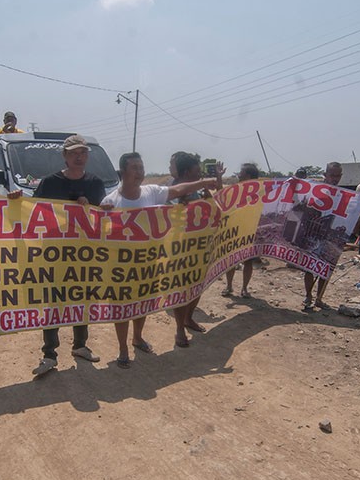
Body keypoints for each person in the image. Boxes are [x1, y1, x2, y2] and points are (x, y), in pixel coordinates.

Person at [100, 152, 220, 367]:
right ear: (123, 172)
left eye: (141, 166)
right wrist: (102, 215)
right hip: (120, 266)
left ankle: (137, 338)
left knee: (142, 302)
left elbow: (178, 190)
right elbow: (97, 233)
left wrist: (203, 182)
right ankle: (123, 348)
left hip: (148, 263)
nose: (140, 171)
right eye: (135, 167)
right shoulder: (110, 201)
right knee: (121, 307)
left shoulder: (152, 192)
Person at [31, 135, 105, 375]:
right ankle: (49, 354)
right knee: (53, 303)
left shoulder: (95, 183)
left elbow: (103, 218)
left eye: (83, 152)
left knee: (82, 300)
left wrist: (89, 208)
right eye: (74, 153)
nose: (79, 157)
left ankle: (80, 346)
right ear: (64, 156)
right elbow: (31, 212)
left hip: (83, 254)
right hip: (54, 254)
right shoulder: (49, 183)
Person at [169, 152, 225, 346]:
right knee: (181, 289)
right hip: (180, 249)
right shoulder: (173, 188)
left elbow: (214, 202)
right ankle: (179, 329)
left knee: (197, 285)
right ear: (186, 172)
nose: (199, 173)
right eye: (196, 171)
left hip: (199, 246)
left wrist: (209, 188)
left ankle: (188, 318)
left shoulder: (197, 188)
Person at [302, 161, 343, 311]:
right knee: (309, 266)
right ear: (325, 175)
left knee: (326, 268)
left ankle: (319, 298)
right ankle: (308, 296)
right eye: (332, 175)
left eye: (338, 175)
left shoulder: (343, 194)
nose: (335, 178)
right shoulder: (316, 189)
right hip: (314, 233)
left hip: (330, 234)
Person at [222, 163, 260, 299]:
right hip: (235, 229)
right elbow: (223, 198)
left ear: (248, 176)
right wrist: (218, 177)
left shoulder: (259, 191)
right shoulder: (236, 190)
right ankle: (229, 286)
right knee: (231, 259)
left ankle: (244, 288)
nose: (239, 174)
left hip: (250, 230)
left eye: (241, 172)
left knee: (247, 261)